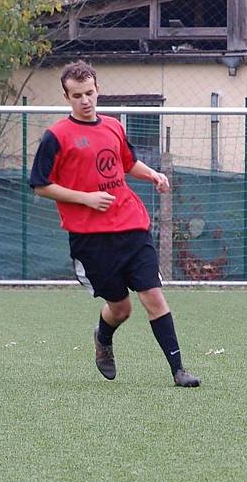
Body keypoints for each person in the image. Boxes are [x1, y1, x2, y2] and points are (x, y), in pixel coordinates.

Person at [29, 60, 201, 388]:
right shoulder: (57, 136)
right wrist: (86, 198)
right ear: (67, 97)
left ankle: (179, 370)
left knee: (153, 295)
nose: (85, 100)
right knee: (121, 309)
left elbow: (127, 162)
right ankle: (103, 338)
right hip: (90, 237)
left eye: (90, 93)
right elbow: (39, 184)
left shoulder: (113, 126)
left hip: (130, 223)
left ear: (98, 90)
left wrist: (152, 174)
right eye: (77, 95)